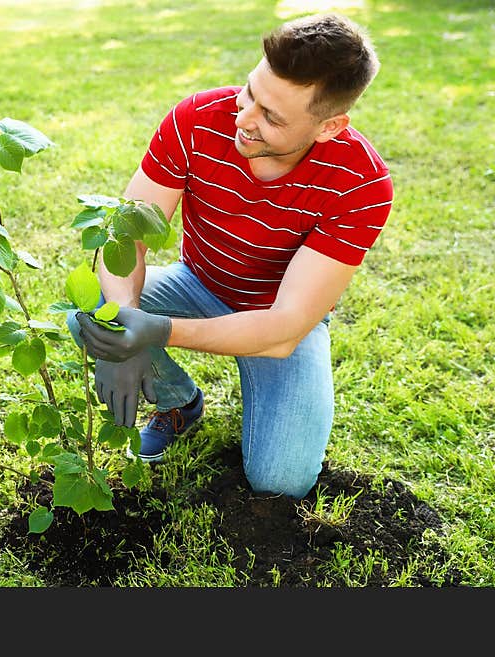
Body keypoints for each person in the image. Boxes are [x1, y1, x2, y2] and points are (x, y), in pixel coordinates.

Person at [74, 13, 392, 499]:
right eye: (251, 93)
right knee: (92, 313)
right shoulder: (196, 119)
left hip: (277, 318)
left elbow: (286, 328)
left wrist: (156, 332)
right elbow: (125, 238)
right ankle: (180, 403)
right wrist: (126, 321)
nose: (243, 118)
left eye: (272, 116)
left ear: (330, 126)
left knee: (281, 481)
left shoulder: (361, 184)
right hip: (196, 282)